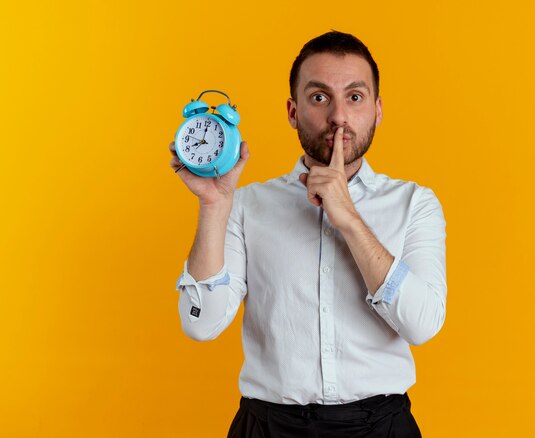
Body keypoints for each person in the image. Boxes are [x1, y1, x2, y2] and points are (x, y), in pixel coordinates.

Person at [169, 31, 447, 438]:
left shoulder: (415, 204)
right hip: (268, 427)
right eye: (319, 97)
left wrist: (348, 217)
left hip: (382, 427)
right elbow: (199, 325)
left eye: (355, 97)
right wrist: (214, 206)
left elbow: (422, 325)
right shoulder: (245, 206)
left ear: (378, 110)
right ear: (292, 111)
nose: (338, 116)